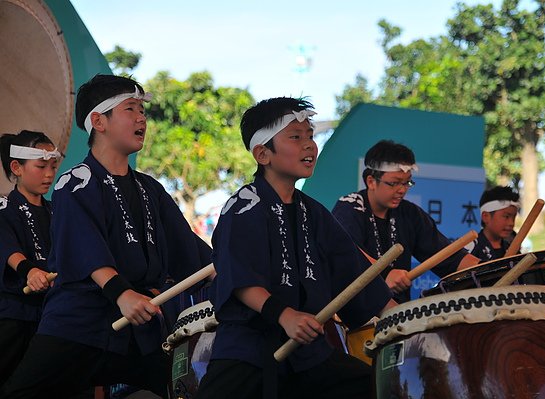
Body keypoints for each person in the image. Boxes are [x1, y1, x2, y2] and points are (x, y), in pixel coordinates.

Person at [1, 74, 213, 398]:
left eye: (142, 110)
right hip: (78, 324)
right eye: (131, 109)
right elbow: (85, 246)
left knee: (183, 389)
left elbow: (190, 250)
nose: (142, 118)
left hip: (139, 325)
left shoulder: (150, 189)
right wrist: (121, 293)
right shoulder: (75, 182)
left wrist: (232, 268)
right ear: (99, 121)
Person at [195, 97, 396, 399]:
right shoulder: (242, 206)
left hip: (307, 354)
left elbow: (356, 276)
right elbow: (238, 278)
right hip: (249, 349)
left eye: (310, 136)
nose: (309, 146)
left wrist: (406, 319)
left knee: (375, 387)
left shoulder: (314, 213)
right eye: (295, 137)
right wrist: (285, 315)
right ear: (263, 153)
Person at [332, 140, 479, 304]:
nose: (402, 190)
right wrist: (385, 274)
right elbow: (346, 251)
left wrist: (488, 270)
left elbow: (448, 257)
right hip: (355, 315)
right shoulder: (350, 206)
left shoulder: (410, 214)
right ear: (371, 181)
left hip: (397, 317)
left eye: (407, 182)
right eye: (394, 183)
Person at [0, 130, 61, 386]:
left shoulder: (56, 211)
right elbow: (6, 245)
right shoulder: (4, 207)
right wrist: (29, 271)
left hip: (50, 316)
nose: (49, 174)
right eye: (40, 166)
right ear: (17, 167)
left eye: (52, 166)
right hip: (12, 315)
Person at [466, 186, 520, 262]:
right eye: (506, 216)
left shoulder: (512, 249)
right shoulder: (471, 247)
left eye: (513, 217)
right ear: (486, 217)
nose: (511, 223)